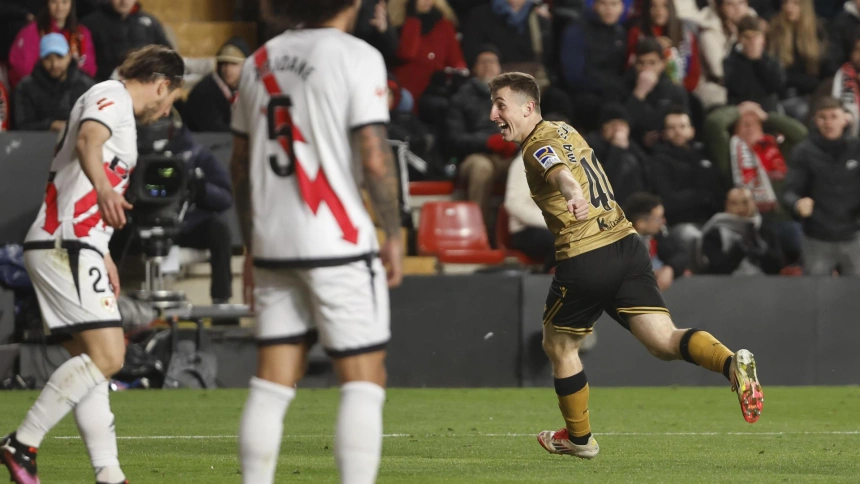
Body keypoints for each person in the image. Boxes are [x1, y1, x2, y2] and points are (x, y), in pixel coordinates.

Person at [487, 71, 763, 459]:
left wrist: (571, 195)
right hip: (627, 244)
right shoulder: (564, 129)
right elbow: (566, 164)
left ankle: (579, 439)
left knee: (559, 345)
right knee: (664, 341)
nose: (493, 114)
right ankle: (731, 363)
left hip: (586, 252)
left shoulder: (536, 146)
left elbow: (559, 173)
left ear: (528, 106)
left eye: (501, 105)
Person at [229, 1, 403, 483]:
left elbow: (239, 166)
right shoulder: (357, 55)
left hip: (272, 243)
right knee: (365, 381)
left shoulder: (257, 61)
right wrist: (392, 231)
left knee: (271, 381)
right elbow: (373, 158)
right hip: (338, 239)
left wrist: (249, 246)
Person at [1, 45, 184, 484]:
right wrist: (105, 191)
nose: (164, 111)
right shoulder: (112, 95)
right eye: (170, 101)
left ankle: (109, 474)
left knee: (92, 367)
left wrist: (102, 248)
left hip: (76, 243)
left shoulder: (118, 107)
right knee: (109, 356)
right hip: (65, 243)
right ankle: (22, 445)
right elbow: (87, 140)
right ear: (162, 85)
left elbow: (79, 179)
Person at [782, 96, 860, 275]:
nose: (828, 122)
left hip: (854, 236)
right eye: (822, 117)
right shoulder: (803, 152)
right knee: (816, 298)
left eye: (834, 116)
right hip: (817, 238)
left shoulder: (857, 148)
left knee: (856, 298)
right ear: (814, 121)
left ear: (845, 119)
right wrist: (797, 204)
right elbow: (789, 191)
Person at [445, 43, 515, 226]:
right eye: (483, 62)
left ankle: (523, 233)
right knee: (481, 168)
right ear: (474, 68)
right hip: (475, 156)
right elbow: (453, 139)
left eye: (492, 61)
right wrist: (487, 142)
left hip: (508, 156)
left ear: (500, 67)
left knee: (532, 164)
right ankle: (478, 231)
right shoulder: (461, 98)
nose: (488, 66)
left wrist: (515, 144)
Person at [12, 33, 94, 131]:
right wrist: (51, 125)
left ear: (69, 56)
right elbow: (22, 127)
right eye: (48, 59)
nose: (54, 64)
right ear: (41, 60)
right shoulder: (25, 88)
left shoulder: (86, 85)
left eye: (59, 57)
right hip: (37, 144)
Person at [8, 0, 97, 89]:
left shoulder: (81, 33)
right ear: (47, 4)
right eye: (54, 2)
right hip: (39, 92)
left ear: (71, 4)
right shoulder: (31, 32)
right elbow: (23, 70)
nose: (59, 8)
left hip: (74, 93)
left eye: (64, 2)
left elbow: (89, 69)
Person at [391, 0, 466, 104]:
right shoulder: (397, 24)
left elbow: (456, 60)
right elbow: (406, 53)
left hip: (435, 94)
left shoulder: (444, 25)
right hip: (406, 92)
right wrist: (412, 18)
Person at [81, 0, 171, 81]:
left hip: (143, 85)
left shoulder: (150, 22)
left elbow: (166, 53)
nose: (124, 1)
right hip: (104, 85)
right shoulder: (90, 24)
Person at [624, 37, 689, 147]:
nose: (646, 68)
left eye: (652, 63)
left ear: (662, 64)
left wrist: (661, 136)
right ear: (635, 64)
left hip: (669, 146)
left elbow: (685, 123)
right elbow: (623, 122)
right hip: (634, 146)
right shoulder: (624, 86)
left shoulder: (674, 90)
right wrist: (639, 93)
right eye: (641, 63)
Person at [767, 0, 824, 120]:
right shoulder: (775, 29)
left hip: (813, 95)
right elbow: (776, 73)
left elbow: (824, 72)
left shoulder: (818, 29)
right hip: (784, 95)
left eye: (795, 3)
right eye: (785, 3)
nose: (789, 7)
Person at [625, 192, 690, 291]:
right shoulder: (622, 243)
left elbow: (681, 253)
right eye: (658, 218)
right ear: (641, 223)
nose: (663, 221)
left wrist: (670, 268)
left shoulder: (658, 236)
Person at [183, 37, 250, 132]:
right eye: (224, 63)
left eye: (234, 64)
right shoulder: (205, 92)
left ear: (245, 65)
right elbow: (214, 132)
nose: (228, 69)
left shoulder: (244, 88)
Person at [724, 16, 787, 114]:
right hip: (740, 111)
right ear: (739, 38)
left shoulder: (771, 61)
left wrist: (758, 60)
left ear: (763, 39)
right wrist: (747, 60)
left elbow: (776, 85)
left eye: (756, 36)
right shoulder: (730, 62)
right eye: (747, 37)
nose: (751, 41)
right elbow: (737, 87)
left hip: (768, 112)